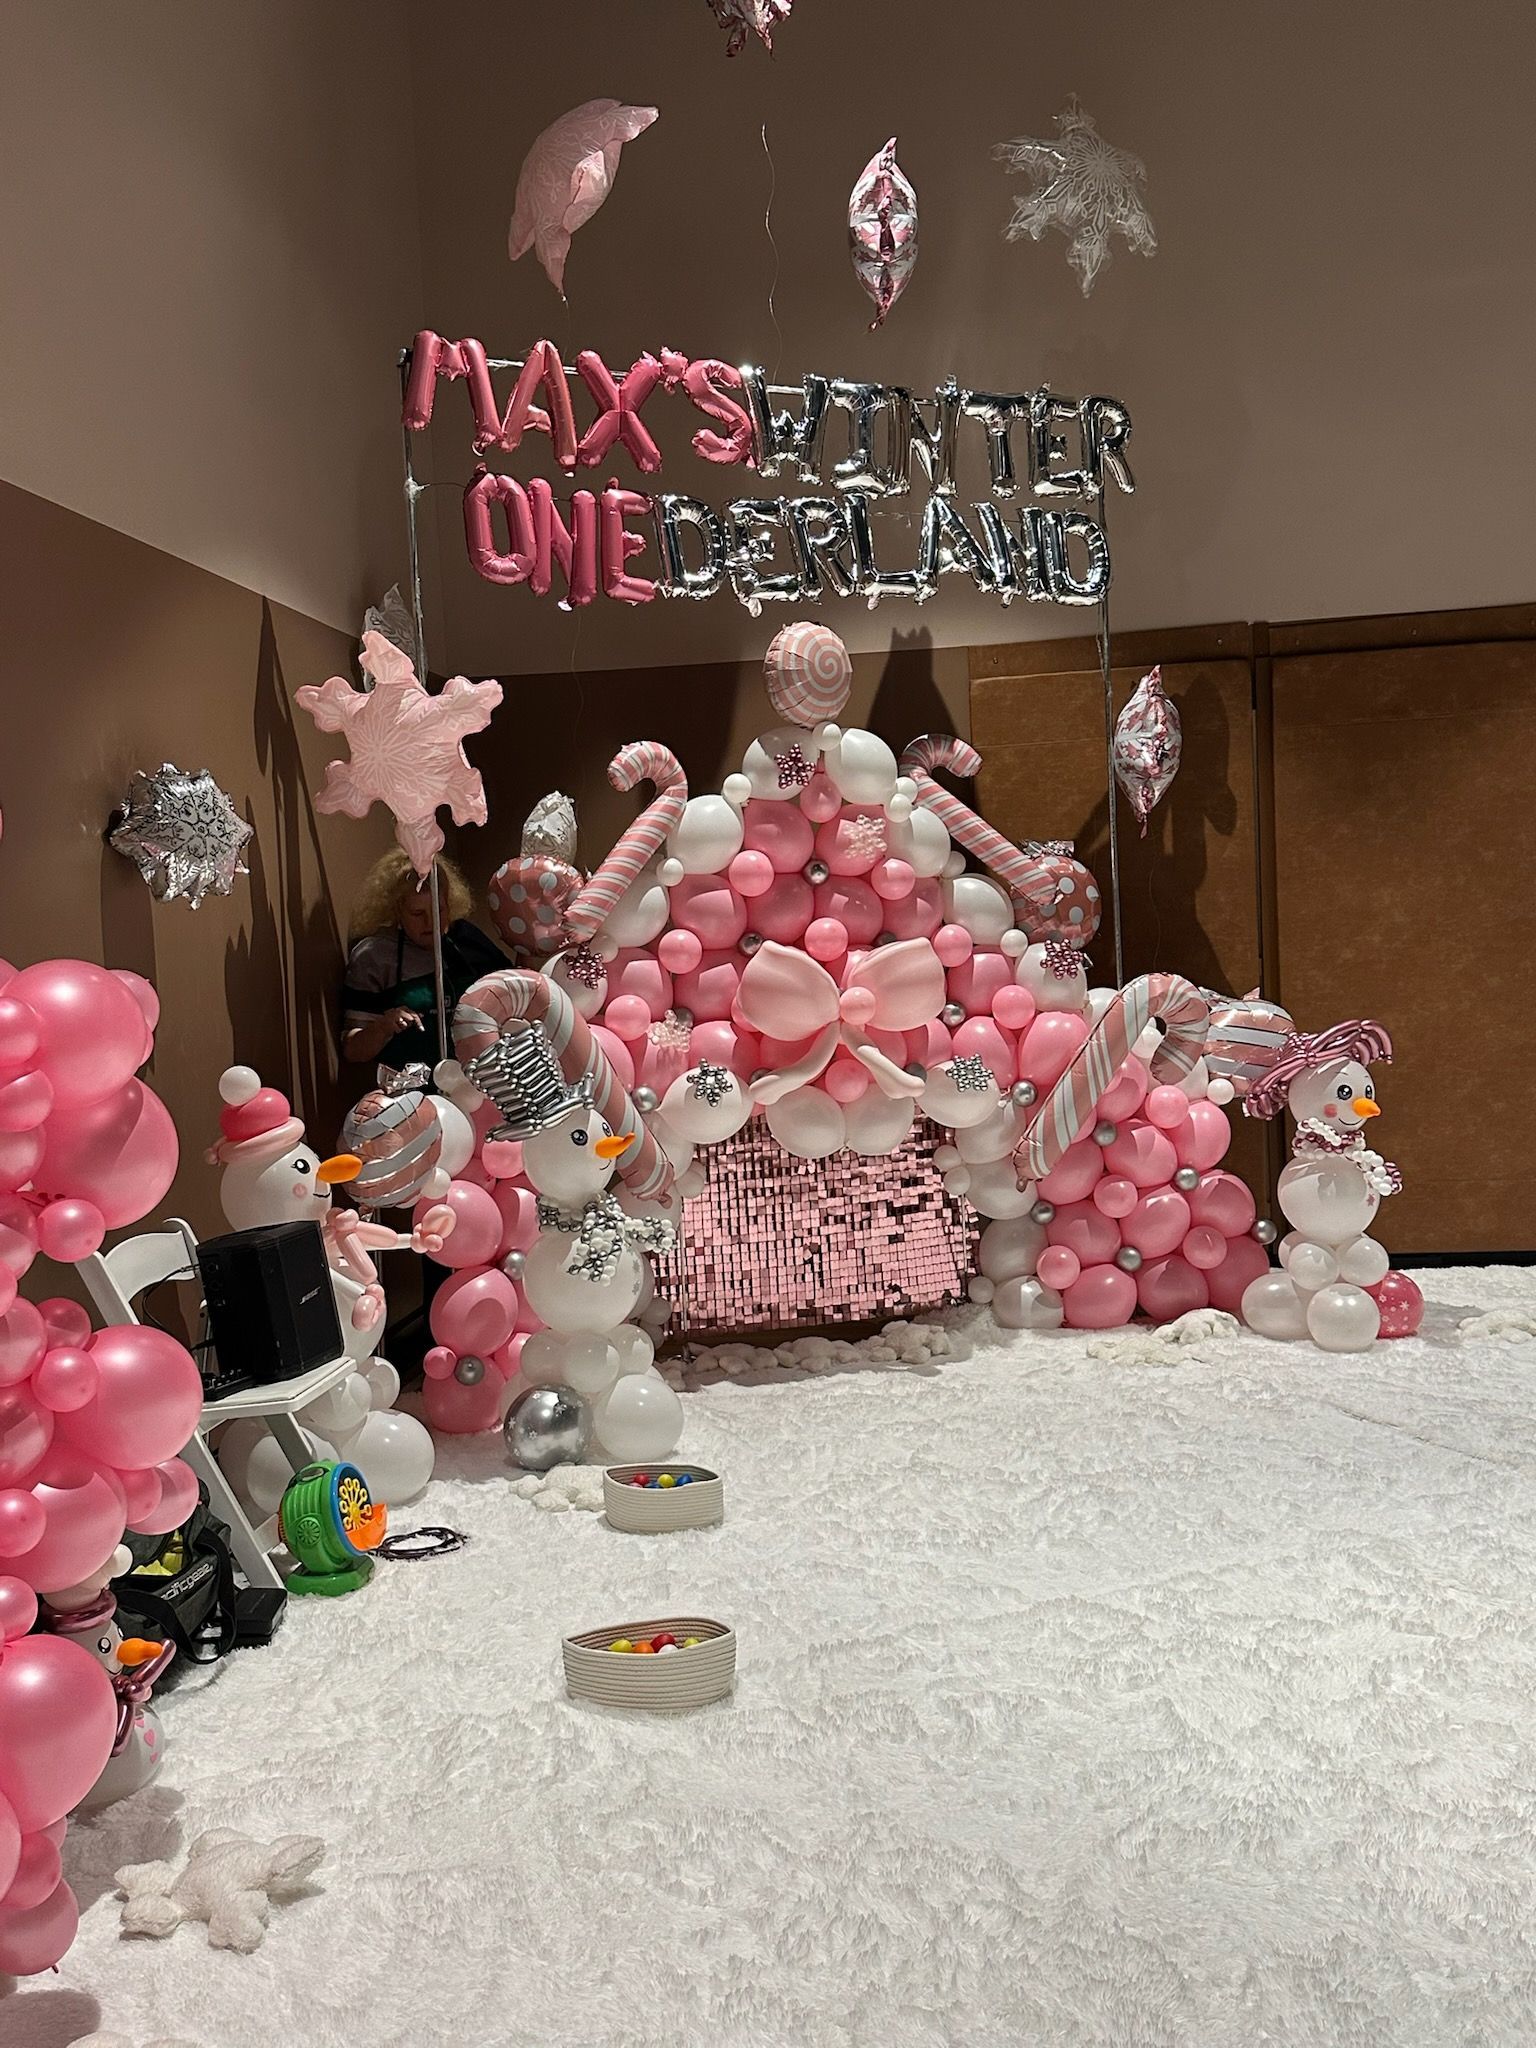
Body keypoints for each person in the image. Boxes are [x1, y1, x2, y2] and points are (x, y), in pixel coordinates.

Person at [341, 848, 508, 1074]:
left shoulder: (467, 939)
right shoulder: (374, 957)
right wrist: (383, 1027)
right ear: (396, 910)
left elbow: (514, 991)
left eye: (439, 910)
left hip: (478, 1079)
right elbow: (352, 1049)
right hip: (412, 1090)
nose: (431, 922)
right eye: (418, 914)